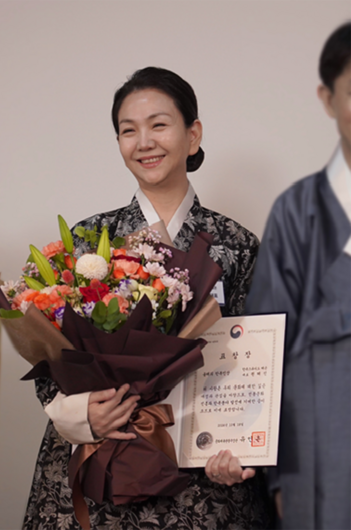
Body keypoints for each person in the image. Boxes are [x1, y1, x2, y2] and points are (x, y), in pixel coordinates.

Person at [23, 66, 271, 529]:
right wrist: (83, 414)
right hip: (103, 454)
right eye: (128, 130)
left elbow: (257, 359)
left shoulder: (236, 244)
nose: (144, 142)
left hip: (200, 468)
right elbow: (49, 354)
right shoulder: (88, 240)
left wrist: (242, 444)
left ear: (192, 135)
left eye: (159, 124)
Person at [245, 22, 351, 530]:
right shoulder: (297, 211)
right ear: (328, 99)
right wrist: (280, 477)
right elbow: (263, 354)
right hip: (321, 458)